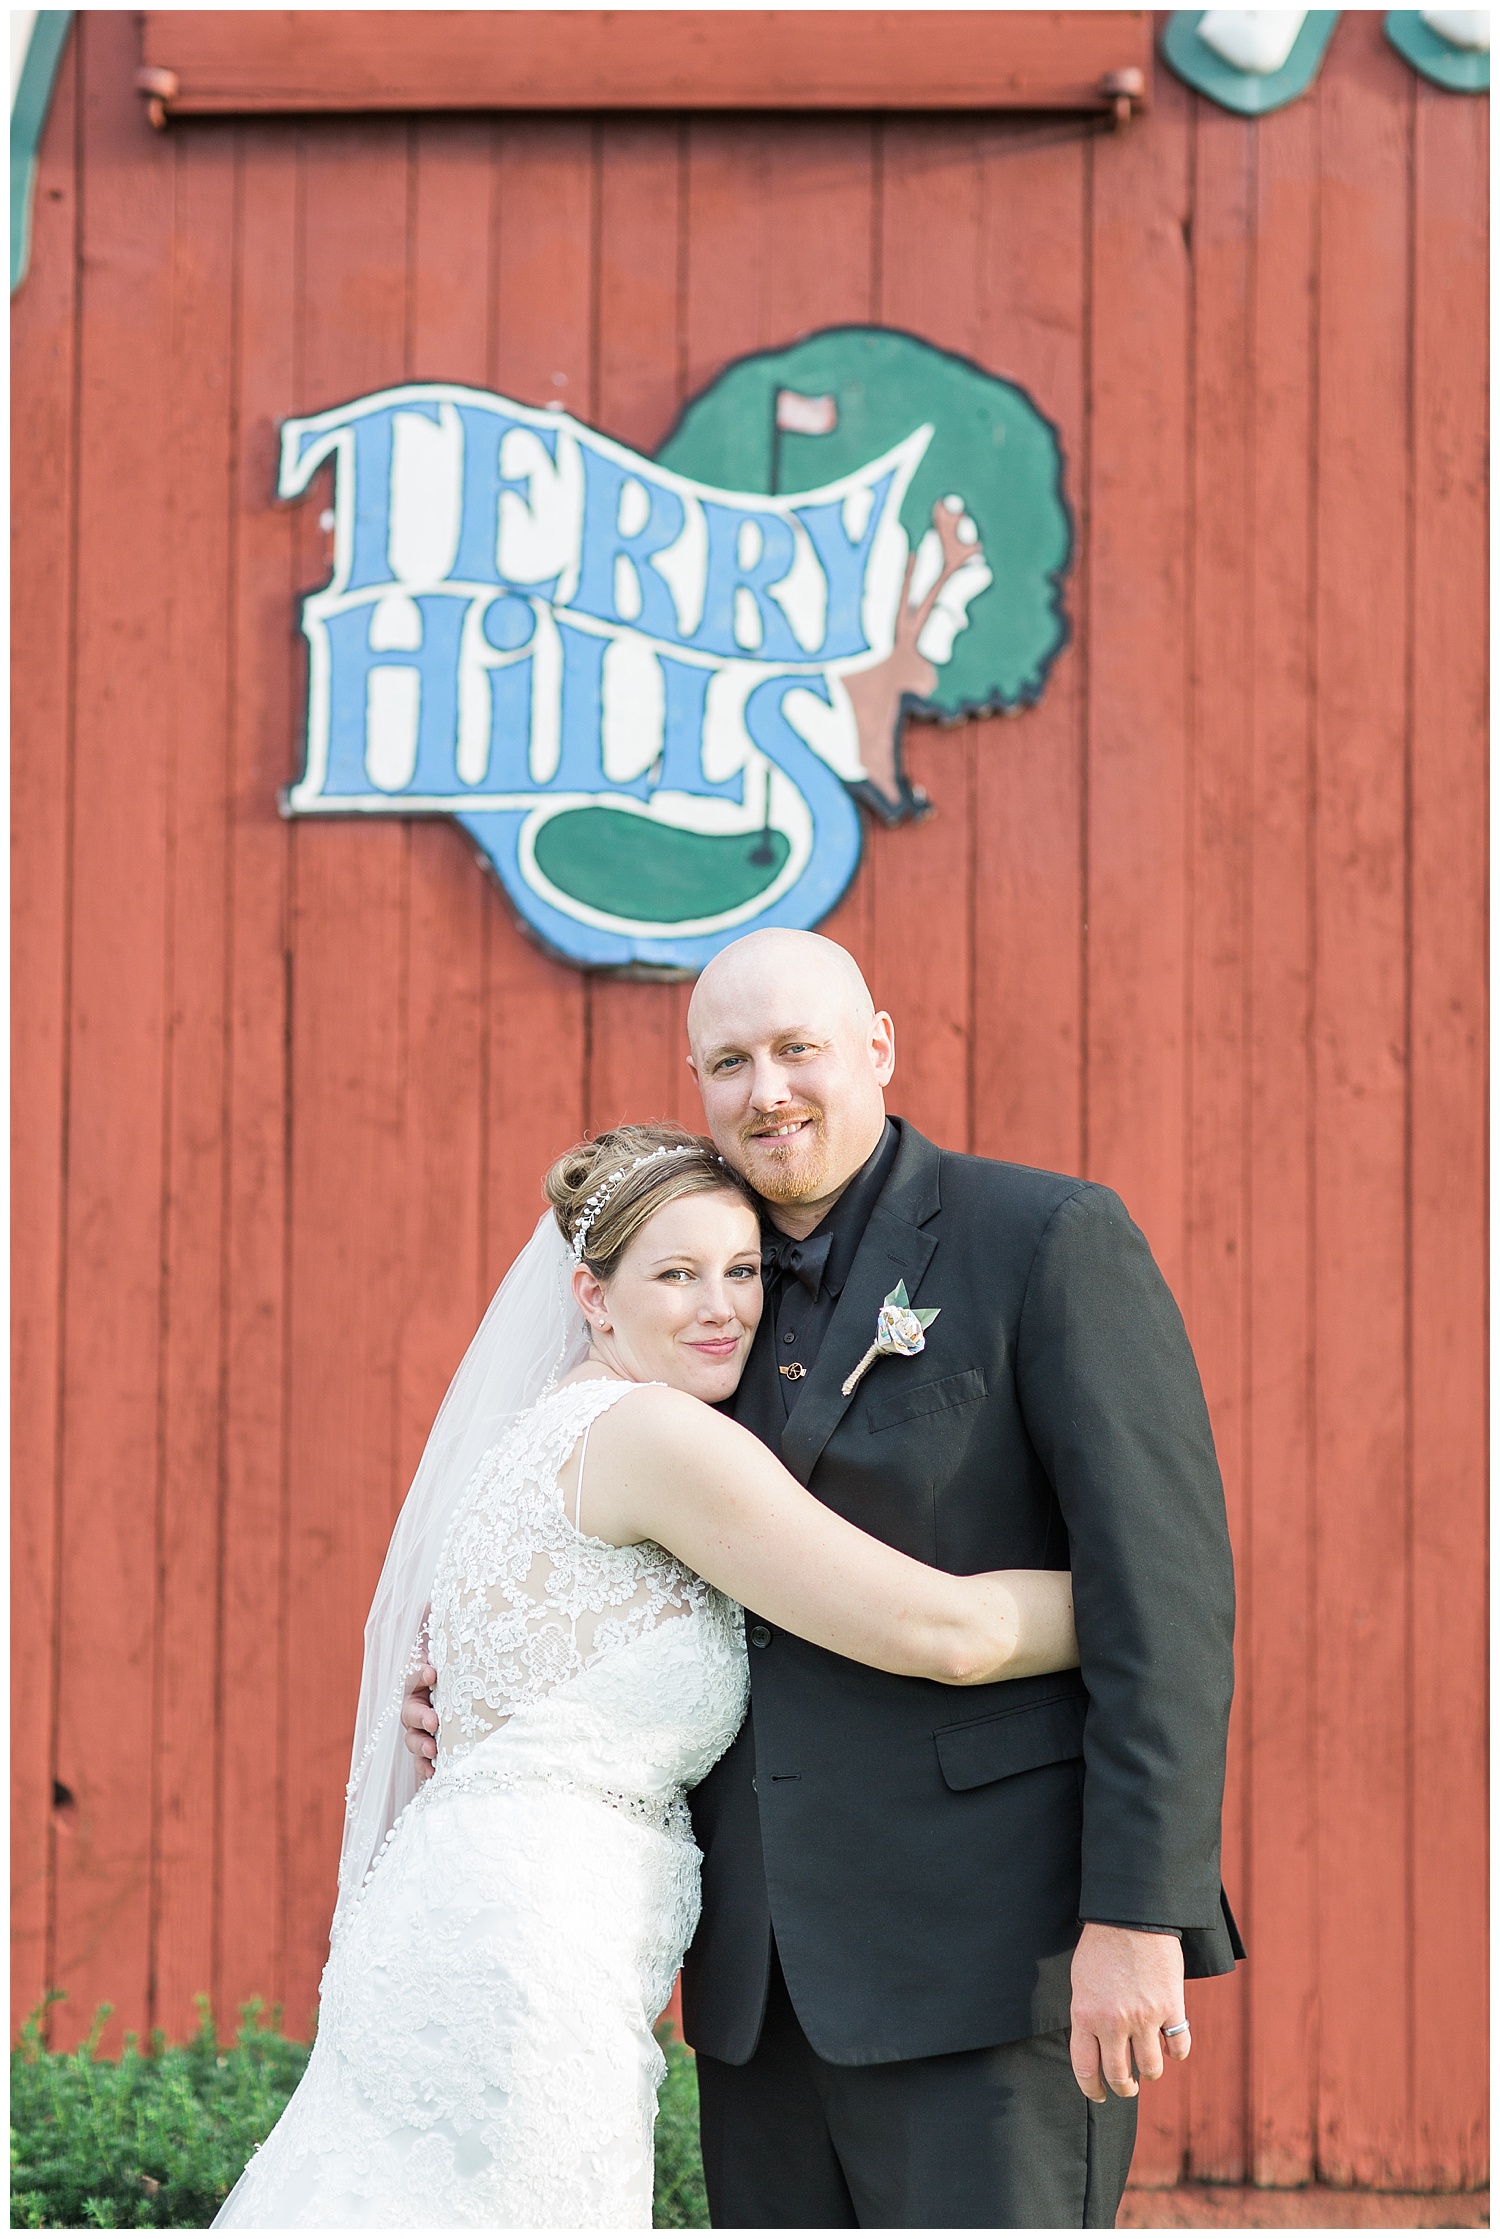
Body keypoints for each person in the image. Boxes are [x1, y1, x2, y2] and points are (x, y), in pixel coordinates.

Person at [402, 927, 1243, 2232]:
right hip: (755, 1984)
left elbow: (1165, 1594)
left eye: (798, 1047)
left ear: (878, 1048)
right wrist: (503, 1683)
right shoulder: (692, 1301)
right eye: (730, 1060)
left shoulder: (1043, 1238)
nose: (767, 1088)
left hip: (987, 1959)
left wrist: (1140, 1920)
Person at [215, 1125, 1082, 2230]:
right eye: (677, 1274)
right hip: (539, 1945)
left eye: (742, 1270)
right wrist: (1135, 1602)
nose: (723, 1306)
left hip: (451, 1916)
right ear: (592, 1292)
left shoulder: (529, 1438)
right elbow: (943, 1630)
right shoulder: (653, 1436)